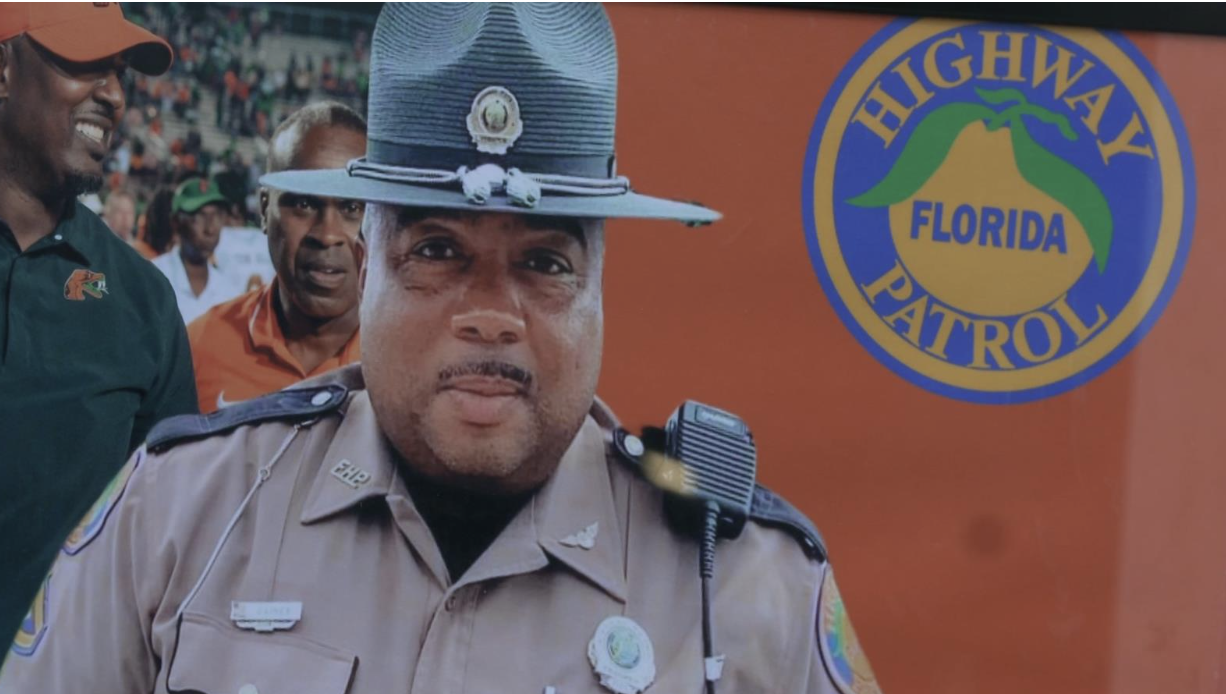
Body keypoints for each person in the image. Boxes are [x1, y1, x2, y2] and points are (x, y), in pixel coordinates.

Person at [0, 5, 882, 694]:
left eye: (544, 263)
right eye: (435, 253)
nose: (491, 314)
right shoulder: (182, 514)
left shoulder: (741, 586)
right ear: (367, 262)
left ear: (603, 287)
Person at [0, 2, 197, 666]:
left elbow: (171, 544)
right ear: (3, 68)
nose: (113, 94)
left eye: (120, 72)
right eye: (86, 62)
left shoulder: (143, 303)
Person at [187, 102, 367, 413]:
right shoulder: (198, 348)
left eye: (352, 208)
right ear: (264, 210)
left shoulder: (410, 360)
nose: (326, 235)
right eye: (303, 204)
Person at [151, 176, 247, 324]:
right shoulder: (152, 278)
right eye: (199, 216)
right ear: (176, 222)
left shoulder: (229, 293)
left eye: (217, 216)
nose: (210, 229)